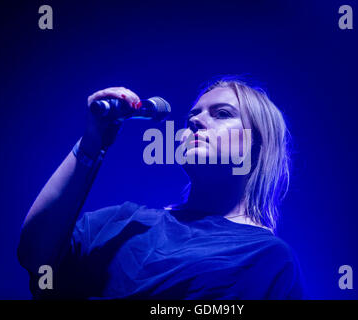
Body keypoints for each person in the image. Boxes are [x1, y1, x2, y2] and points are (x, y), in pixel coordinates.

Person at [17, 78, 304, 299]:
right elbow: (34, 255)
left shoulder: (267, 258)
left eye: (222, 114)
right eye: (194, 114)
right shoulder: (123, 223)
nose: (195, 120)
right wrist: (92, 141)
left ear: (257, 147)